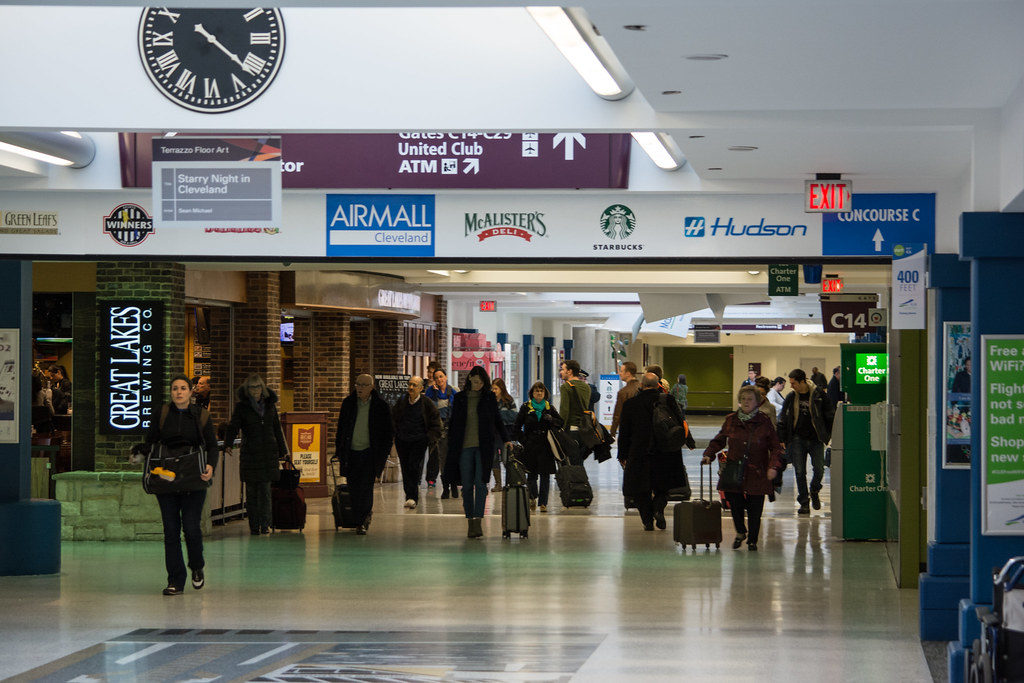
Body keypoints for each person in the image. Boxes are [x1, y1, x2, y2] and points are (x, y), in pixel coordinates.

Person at [131, 374, 218, 595]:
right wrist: (140, 453)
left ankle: (197, 566)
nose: (178, 392)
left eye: (183, 388)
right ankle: (175, 580)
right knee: (171, 530)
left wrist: (210, 466)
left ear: (190, 392)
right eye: (175, 389)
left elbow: (212, 445)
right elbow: (150, 441)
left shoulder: (201, 415)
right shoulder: (162, 414)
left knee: (191, 527)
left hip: (193, 478)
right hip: (167, 478)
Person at [701, 386, 783, 551]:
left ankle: (752, 540)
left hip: (758, 471)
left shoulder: (764, 421)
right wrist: (708, 454)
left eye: (750, 399)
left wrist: (773, 466)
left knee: (755, 508)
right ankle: (740, 532)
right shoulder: (731, 420)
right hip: (734, 470)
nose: (746, 402)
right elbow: (720, 439)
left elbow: (776, 447)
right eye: (744, 399)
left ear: (757, 402)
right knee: (735, 504)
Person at [618, 373, 689, 531]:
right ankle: (658, 508)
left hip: (639, 452)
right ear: (658, 385)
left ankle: (647, 520)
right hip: (666, 451)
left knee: (639, 488)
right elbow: (680, 422)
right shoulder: (668, 400)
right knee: (663, 486)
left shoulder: (631, 404)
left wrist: (622, 455)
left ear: (641, 385)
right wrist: (685, 442)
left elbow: (624, 432)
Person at [444, 365, 508, 538]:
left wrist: (507, 439)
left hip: (483, 447)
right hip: (463, 447)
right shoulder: (459, 398)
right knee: (466, 486)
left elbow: (497, 420)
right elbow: (454, 422)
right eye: (475, 380)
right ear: (470, 379)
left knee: (480, 484)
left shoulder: (489, 398)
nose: (478, 384)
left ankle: (478, 520)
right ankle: (470, 519)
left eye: (481, 382)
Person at [223, 374, 289, 535]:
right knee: (251, 493)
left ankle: (265, 524)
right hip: (251, 454)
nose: (256, 391)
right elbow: (234, 425)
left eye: (258, 387)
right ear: (247, 390)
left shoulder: (270, 406)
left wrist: (284, 450)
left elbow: (276, 429)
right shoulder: (242, 407)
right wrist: (228, 443)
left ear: (263, 388)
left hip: (268, 453)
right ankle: (254, 526)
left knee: (266, 492)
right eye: (252, 388)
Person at [335, 374, 394, 534]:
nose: (359, 388)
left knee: (366, 488)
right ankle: (359, 517)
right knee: (353, 488)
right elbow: (341, 429)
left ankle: (362, 520)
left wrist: (382, 456)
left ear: (371, 387)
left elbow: (388, 434)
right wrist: (339, 450)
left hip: (370, 453)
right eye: (357, 384)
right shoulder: (348, 404)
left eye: (363, 385)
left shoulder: (381, 406)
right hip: (351, 453)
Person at [777, 368, 835, 515]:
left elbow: (830, 415)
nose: (791, 386)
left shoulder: (818, 395)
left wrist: (828, 434)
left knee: (819, 469)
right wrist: (782, 438)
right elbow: (783, 418)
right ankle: (804, 502)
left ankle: (814, 489)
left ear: (802, 381)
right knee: (799, 471)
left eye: (793, 383)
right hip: (797, 439)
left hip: (816, 439)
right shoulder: (791, 397)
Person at [391, 375, 441, 509]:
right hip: (403, 440)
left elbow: (436, 422)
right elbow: (393, 418)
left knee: (414, 466)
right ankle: (409, 496)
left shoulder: (427, 403)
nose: (411, 387)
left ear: (421, 388)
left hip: (419, 440)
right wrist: (396, 434)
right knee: (406, 467)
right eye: (410, 384)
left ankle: (413, 497)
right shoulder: (402, 402)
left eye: (414, 385)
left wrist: (430, 437)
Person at [512, 381, 562, 513]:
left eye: (541, 391)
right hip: (531, 444)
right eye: (536, 391)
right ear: (532, 393)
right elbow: (516, 427)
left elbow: (560, 423)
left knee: (545, 475)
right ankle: (532, 497)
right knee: (532, 474)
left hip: (546, 445)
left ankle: (543, 503)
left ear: (545, 394)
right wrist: (524, 440)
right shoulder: (525, 407)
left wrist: (551, 419)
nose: (539, 393)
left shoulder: (549, 408)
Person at [425, 368, 458, 498]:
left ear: (446, 377)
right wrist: (434, 394)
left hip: (452, 429)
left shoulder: (453, 392)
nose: (439, 379)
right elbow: (429, 409)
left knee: (453, 458)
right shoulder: (430, 392)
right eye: (436, 377)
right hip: (439, 430)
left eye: (441, 376)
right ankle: (446, 487)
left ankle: (454, 485)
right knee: (442, 459)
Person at [558, 359, 591, 462]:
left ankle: (572, 478)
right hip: (584, 429)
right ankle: (580, 478)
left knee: (570, 461)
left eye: (563, 369)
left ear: (570, 371)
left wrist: (560, 429)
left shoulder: (566, 387)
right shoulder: (586, 387)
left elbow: (564, 411)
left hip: (571, 430)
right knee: (579, 460)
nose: (561, 372)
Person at [491, 378, 518, 492]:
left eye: (496, 388)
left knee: (506, 458)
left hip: (506, 434)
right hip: (492, 434)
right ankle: (498, 483)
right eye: (492, 388)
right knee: (494, 459)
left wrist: (499, 416)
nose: (494, 391)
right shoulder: (490, 401)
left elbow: (514, 416)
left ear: (501, 389)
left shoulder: (509, 400)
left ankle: (510, 482)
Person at [610, 361, 640, 439]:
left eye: (621, 371)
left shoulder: (623, 392)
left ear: (628, 373)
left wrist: (612, 432)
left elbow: (617, 415)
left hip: (627, 430)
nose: (619, 373)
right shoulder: (642, 387)